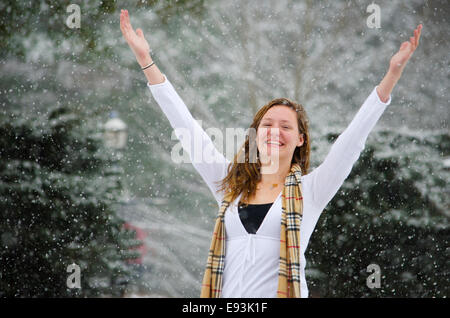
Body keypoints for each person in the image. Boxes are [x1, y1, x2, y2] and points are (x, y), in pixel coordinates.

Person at [120, 9, 422, 298]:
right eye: (267, 124)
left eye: (285, 127)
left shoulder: (311, 191)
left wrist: (391, 75)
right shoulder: (230, 186)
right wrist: (146, 60)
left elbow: (352, 141)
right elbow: (187, 129)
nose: (275, 131)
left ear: (300, 139)